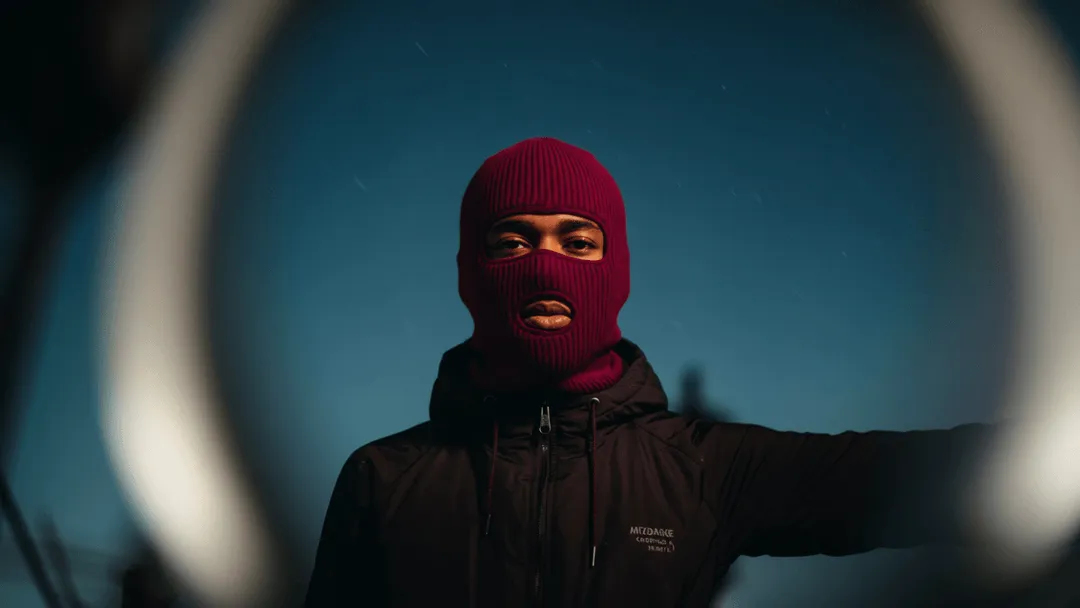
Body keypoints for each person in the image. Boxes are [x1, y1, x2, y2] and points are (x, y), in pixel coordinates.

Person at [304, 137, 987, 607]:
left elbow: (925, 475)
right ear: (468, 273)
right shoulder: (382, 478)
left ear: (618, 270)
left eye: (578, 241)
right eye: (512, 241)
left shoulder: (702, 469)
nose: (545, 266)